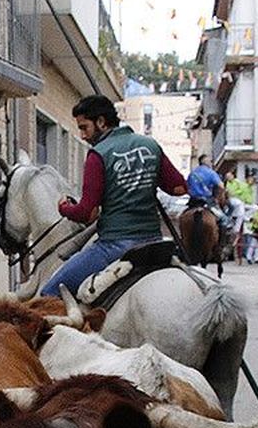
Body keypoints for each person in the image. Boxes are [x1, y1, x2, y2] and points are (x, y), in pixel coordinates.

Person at [42, 94, 189, 297]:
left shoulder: (98, 154)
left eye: (84, 128)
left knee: (50, 292)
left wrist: (65, 208)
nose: (82, 136)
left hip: (115, 245)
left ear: (101, 122)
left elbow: (88, 214)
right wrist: (144, 176)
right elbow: (179, 188)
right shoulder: (150, 145)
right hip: (153, 242)